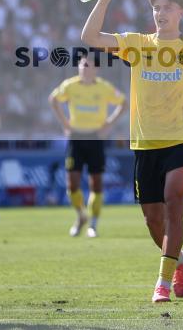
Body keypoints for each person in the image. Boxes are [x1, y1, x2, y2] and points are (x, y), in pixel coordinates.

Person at [81, 0, 183, 303]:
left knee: (173, 203)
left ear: (181, 12)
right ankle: (179, 261)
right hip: (144, 143)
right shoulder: (137, 44)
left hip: (180, 140)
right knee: (153, 219)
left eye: (167, 7)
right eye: (156, 7)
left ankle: (162, 283)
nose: (160, 12)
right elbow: (90, 38)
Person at [49, 55, 126, 238]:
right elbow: (53, 99)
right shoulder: (70, 85)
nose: (84, 68)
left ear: (96, 69)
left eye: (88, 66)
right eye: (82, 65)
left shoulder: (104, 87)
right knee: (72, 185)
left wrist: (108, 124)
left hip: (95, 138)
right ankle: (81, 216)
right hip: (76, 137)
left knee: (96, 184)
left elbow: (124, 103)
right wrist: (65, 123)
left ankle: (93, 224)